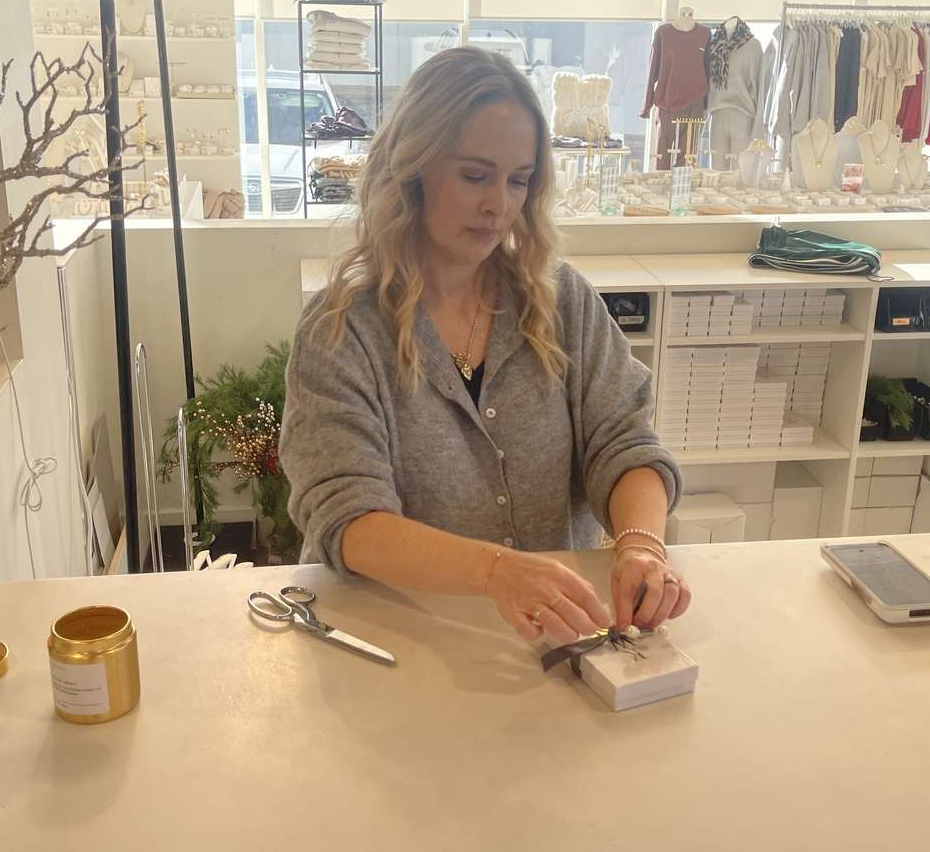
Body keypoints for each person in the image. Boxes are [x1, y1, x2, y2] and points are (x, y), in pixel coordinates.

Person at [280, 46, 689, 645]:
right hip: (404, 644)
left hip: (560, 641)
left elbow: (624, 443)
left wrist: (641, 546)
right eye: (475, 175)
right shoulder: (343, 330)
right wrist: (496, 572)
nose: (500, 204)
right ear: (413, 168)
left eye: (518, 180)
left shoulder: (560, 301)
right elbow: (347, 517)